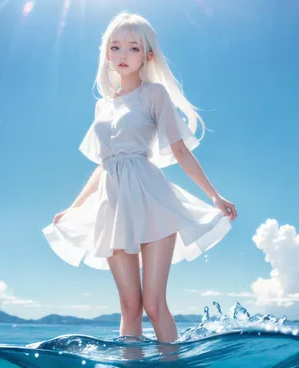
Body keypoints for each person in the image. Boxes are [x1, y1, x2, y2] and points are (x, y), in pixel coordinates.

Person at [42, 11, 236, 343]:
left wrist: (215, 196)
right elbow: (105, 163)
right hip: (113, 208)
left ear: (147, 55)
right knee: (130, 307)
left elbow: (179, 151)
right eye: (115, 47)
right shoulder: (102, 106)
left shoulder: (154, 94)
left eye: (132, 48)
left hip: (153, 200)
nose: (122, 55)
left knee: (154, 304)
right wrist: (73, 208)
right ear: (105, 53)